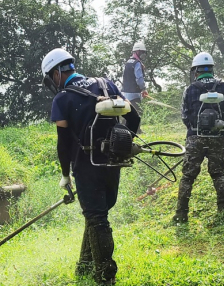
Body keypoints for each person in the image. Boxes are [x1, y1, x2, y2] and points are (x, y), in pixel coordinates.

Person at [41, 48, 140, 285]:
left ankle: (106, 276)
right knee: (96, 214)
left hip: (86, 166)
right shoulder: (106, 85)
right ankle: (84, 267)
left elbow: (63, 143)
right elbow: (134, 118)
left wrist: (66, 175)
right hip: (112, 163)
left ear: (56, 73)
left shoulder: (62, 99)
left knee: (97, 218)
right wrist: (124, 143)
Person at [173, 52, 224, 224]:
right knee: (218, 174)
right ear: (212, 69)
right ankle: (223, 211)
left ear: (196, 71)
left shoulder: (190, 89)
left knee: (188, 176)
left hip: (195, 138)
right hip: (219, 137)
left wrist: (193, 131)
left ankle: (181, 214)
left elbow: (184, 115)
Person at [121, 41, 149, 128]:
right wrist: (143, 89)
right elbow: (139, 78)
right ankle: (137, 130)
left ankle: (124, 128)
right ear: (136, 52)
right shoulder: (137, 63)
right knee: (137, 112)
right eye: (141, 52)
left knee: (126, 112)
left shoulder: (128, 62)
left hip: (125, 92)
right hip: (134, 94)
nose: (143, 55)